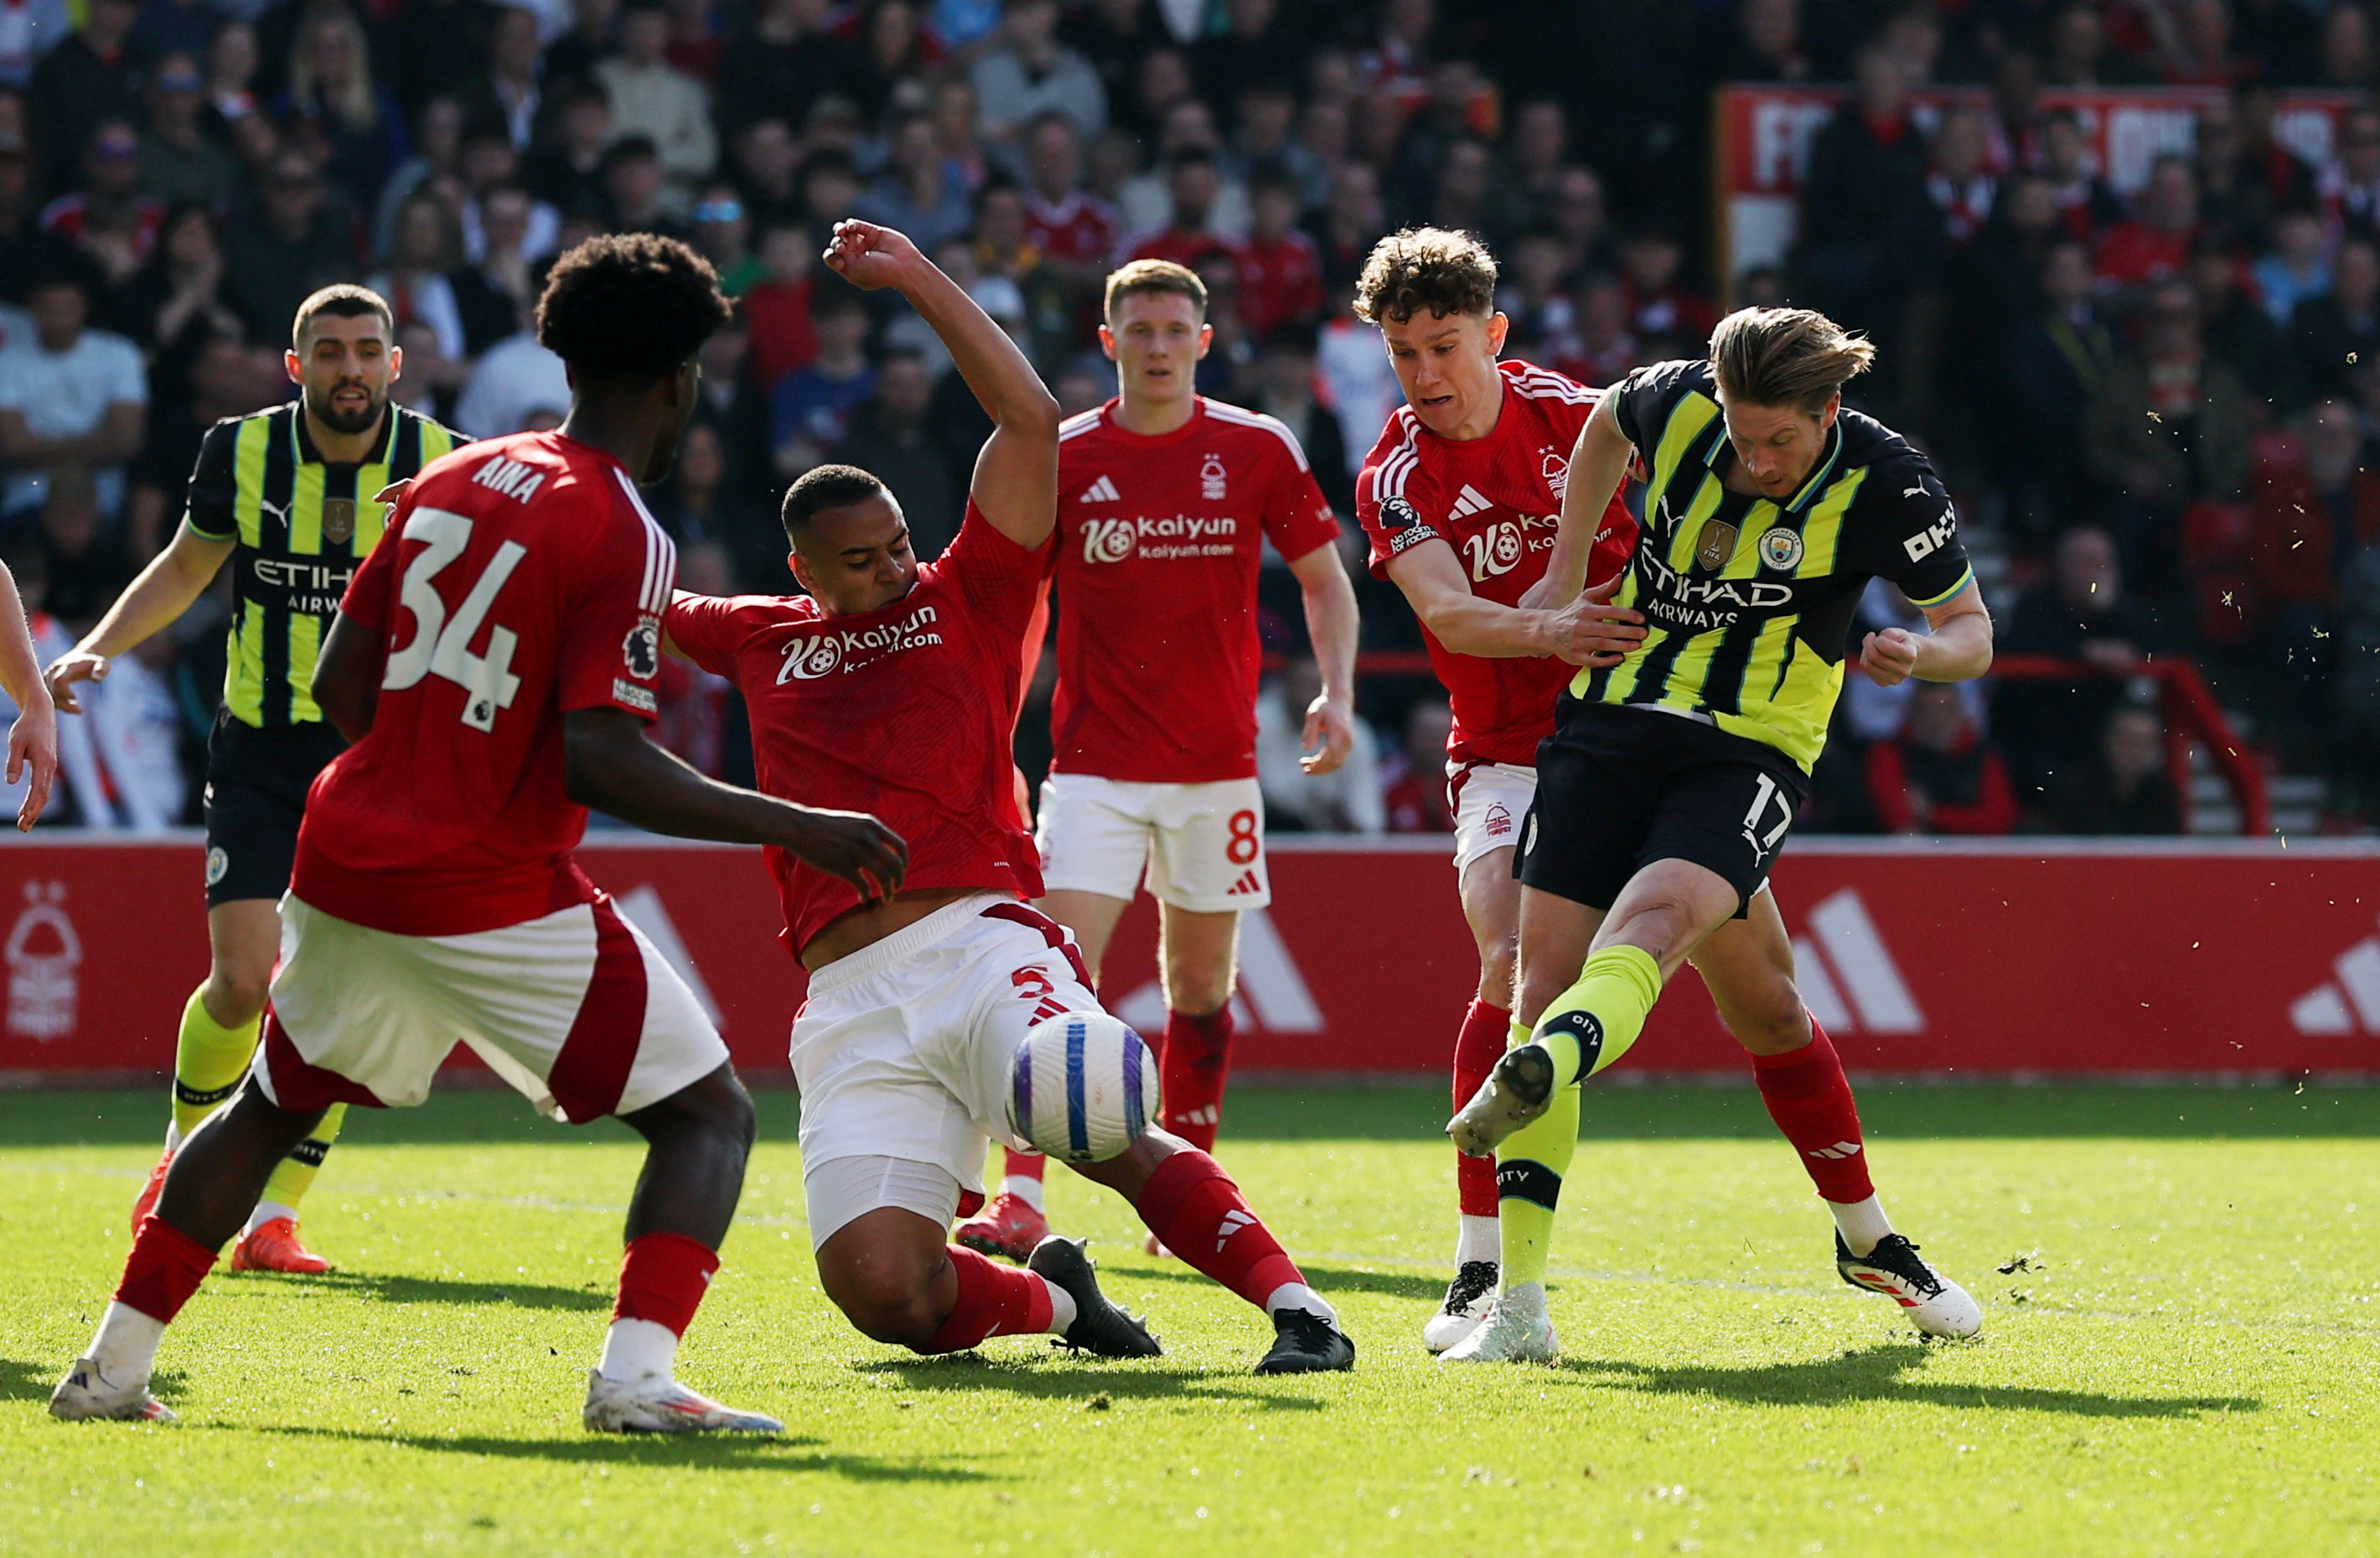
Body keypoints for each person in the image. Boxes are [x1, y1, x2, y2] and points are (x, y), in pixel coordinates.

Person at [50, 232, 909, 1429]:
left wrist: (416, 760)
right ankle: (637, 1379)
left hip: (346, 851)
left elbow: (346, 684)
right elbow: (597, 753)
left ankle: (109, 1370)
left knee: (268, 1105)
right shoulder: (626, 531)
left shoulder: (458, 476)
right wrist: (793, 821)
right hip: (488, 882)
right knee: (708, 1112)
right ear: (676, 381)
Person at [665, 219, 1356, 1375]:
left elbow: (1030, 419)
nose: (891, 566)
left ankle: (1301, 1310)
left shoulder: (968, 596)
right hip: (846, 993)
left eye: (897, 543)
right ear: (802, 570)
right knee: (883, 1291)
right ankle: (1065, 1309)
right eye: (861, 559)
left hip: (982, 939)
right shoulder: (754, 636)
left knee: (1090, 1098)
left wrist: (919, 276)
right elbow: (614, 590)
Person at [1446, 306, 1994, 1362]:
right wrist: (1563, 579)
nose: (1753, 459)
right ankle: (1521, 1307)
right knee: (1762, 1007)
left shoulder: (1890, 484)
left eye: (1777, 441)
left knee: (1642, 930)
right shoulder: (1676, 397)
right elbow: (1606, 421)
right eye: (1740, 436)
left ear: (1827, 411)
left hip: (1750, 747)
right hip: (1612, 717)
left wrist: (1914, 655)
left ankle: (1548, 1063)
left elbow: (1971, 633)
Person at [46, 284, 464, 1276]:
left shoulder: (446, 463)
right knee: (243, 982)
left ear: (397, 366)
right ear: (296, 365)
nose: (350, 368)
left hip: (379, 758)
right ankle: (178, 1164)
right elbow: (190, 566)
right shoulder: (240, 449)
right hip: (264, 750)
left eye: (368, 350)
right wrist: (101, 645)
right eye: (329, 351)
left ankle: (274, 1215)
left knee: (340, 997)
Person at [951, 256, 1359, 1263]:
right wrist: (997, 734)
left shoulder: (1256, 446)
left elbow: (1324, 578)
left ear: (1204, 342)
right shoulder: (1068, 455)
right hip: (1092, 764)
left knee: (1201, 986)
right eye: (1140, 332)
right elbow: (1025, 607)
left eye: (1176, 331)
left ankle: (1190, 1186)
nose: (1159, 347)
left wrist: (1336, 690)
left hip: (1217, 765)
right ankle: (1021, 1195)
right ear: (1108, 344)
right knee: (1051, 973)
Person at [1347, 228, 1641, 1353]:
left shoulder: (1579, 419)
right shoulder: (1395, 475)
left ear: (1494, 334)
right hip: (1508, 748)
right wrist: (1553, 624)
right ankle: (1483, 1269)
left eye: (1446, 346)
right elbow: (1451, 612)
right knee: (1507, 959)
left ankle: (1866, 1230)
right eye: (1405, 350)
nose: (1427, 372)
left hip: (1633, 733)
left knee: (1761, 988)